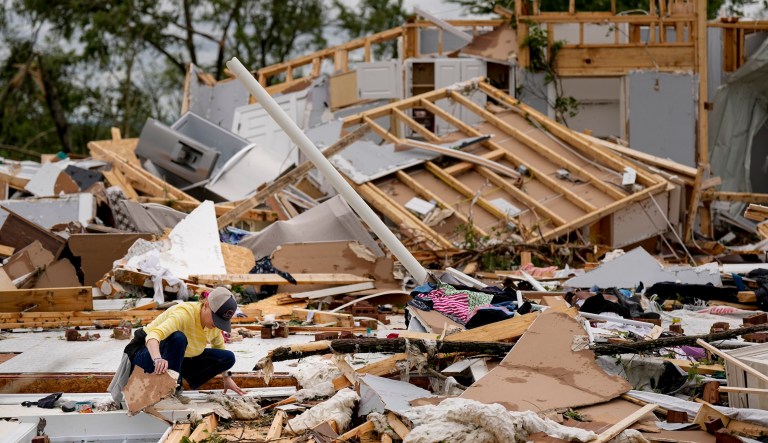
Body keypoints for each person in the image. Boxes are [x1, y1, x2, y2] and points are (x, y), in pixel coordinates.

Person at [121, 287, 246, 403]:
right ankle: (168, 392)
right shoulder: (184, 314)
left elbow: (219, 347)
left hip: (173, 356)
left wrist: (227, 378)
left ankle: (176, 382)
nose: (217, 324)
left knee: (227, 357)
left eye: (221, 322)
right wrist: (157, 359)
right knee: (178, 338)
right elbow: (152, 336)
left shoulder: (213, 326)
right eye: (216, 319)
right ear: (206, 305)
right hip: (144, 353)